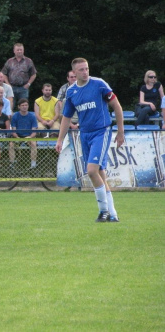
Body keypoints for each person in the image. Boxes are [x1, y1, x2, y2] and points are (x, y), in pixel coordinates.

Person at [55, 57, 125, 223]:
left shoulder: (99, 84)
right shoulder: (71, 92)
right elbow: (66, 118)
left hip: (101, 131)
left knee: (92, 171)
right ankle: (113, 213)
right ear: (74, 73)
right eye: (81, 70)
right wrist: (59, 139)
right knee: (100, 174)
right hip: (84, 134)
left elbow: (117, 106)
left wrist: (120, 131)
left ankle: (103, 212)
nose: (85, 72)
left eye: (86, 69)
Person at [9, 98, 38, 169]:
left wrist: (30, 137)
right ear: (19, 106)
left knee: (33, 144)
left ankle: (33, 164)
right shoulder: (15, 116)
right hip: (18, 136)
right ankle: (12, 164)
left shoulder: (32, 116)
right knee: (11, 145)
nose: (24, 107)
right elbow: (13, 131)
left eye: (26, 105)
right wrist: (17, 137)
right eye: (22, 105)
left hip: (29, 136)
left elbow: (34, 131)